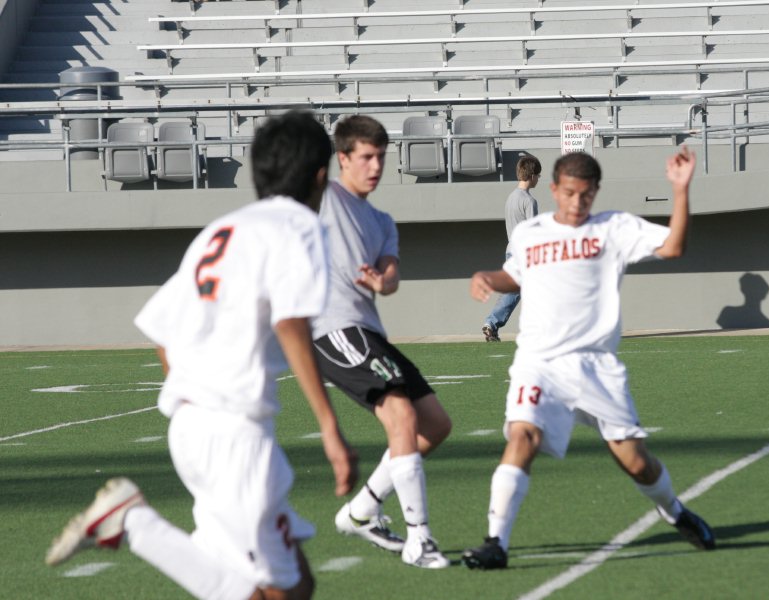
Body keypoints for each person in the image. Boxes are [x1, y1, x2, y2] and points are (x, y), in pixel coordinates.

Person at [45, 111, 359, 600]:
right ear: (322, 174)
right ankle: (134, 523)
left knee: (294, 585)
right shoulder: (300, 227)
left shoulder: (222, 230)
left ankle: (134, 522)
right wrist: (329, 427)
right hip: (233, 436)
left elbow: (162, 333)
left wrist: (198, 399)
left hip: (193, 430)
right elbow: (291, 322)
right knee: (277, 592)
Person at [462, 148, 715, 570]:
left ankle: (674, 511)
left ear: (595, 192)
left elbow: (673, 246)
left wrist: (681, 190)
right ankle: (495, 543)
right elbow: (516, 275)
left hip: (596, 367)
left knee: (635, 461)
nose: (577, 203)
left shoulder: (613, 228)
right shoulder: (531, 232)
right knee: (522, 437)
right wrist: (491, 277)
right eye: (569, 193)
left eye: (586, 194)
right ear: (554, 189)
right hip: (539, 360)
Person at [311, 115, 453, 569]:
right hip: (332, 328)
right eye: (366, 157)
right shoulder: (324, 198)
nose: (375, 166)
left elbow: (390, 277)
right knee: (401, 412)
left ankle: (362, 511)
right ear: (343, 159)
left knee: (434, 425)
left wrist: (382, 279)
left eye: (381, 157)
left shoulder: (382, 220)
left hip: (367, 330)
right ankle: (420, 538)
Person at [482, 155, 542, 342]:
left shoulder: (511, 198)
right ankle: (493, 323)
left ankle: (493, 324)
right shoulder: (529, 201)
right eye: (538, 175)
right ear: (531, 175)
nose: (539, 179)